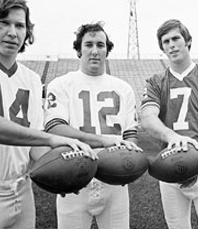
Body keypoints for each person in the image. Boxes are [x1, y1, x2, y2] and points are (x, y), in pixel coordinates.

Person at [0, 0, 96, 229]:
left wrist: (65, 171)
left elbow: (35, 145)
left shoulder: (31, 79)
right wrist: (51, 138)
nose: (12, 32)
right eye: (4, 23)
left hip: (22, 187)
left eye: (20, 25)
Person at [44, 21, 142, 229]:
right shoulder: (61, 84)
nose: (95, 51)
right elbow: (55, 127)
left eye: (101, 45)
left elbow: (130, 135)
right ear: (79, 50)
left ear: (107, 50)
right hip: (74, 176)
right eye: (89, 45)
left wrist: (128, 163)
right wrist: (104, 142)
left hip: (113, 180)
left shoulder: (124, 89)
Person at [140, 19, 198, 229]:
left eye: (175, 39)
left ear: (188, 41)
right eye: (166, 41)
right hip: (170, 166)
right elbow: (147, 118)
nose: (171, 45)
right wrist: (172, 137)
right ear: (162, 47)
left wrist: (194, 162)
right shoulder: (155, 81)